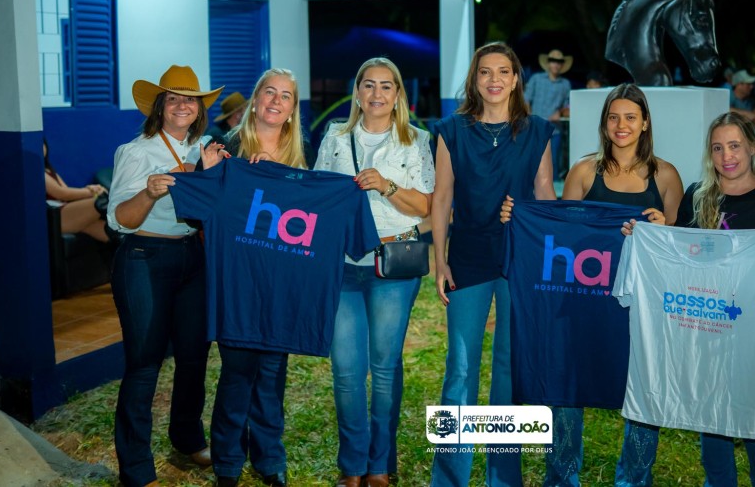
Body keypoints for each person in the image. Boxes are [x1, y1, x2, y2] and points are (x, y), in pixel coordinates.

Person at [500, 82, 684, 486]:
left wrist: (664, 228)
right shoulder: (584, 172)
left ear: (645, 122)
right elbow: (561, 234)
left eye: (630, 117)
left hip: (642, 305)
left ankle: (634, 480)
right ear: (604, 123)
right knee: (567, 384)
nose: (621, 125)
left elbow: (679, 248)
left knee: (643, 390)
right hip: (584, 297)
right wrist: (520, 218)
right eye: (613, 117)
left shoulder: (666, 176)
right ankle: (562, 477)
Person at [617, 112, 755, 487]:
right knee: (711, 413)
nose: (726, 156)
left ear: (752, 147)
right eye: (717, 148)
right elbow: (685, 259)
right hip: (703, 321)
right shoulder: (699, 195)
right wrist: (653, 235)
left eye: (734, 146)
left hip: (747, 325)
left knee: (752, 414)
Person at [430, 42, 556, 487]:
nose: (495, 79)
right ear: (475, 80)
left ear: (516, 79)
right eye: (485, 72)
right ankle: (449, 478)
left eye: (504, 71)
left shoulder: (538, 131)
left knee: (509, 368)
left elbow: (545, 196)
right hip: (467, 257)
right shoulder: (451, 130)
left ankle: (503, 478)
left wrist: (533, 224)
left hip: (520, 261)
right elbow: (441, 198)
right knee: (459, 369)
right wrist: (439, 260)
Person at [314, 58, 435, 487]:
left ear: (398, 95)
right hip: (342, 266)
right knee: (346, 370)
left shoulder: (416, 140)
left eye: (386, 86)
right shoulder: (335, 136)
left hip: (393, 264)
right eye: (369, 85)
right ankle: (352, 465)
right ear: (357, 92)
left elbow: (426, 206)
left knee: (384, 368)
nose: (377, 93)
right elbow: (316, 197)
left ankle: (380, 463)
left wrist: (386, 185)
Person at [106, 64, 222, 487]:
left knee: (194, 356)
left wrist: (218, 171)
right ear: (160, 107)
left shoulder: (206, 148)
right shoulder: (136, 152)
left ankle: (187, 438)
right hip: (144, 258)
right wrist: (148, 192)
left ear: (199, 109)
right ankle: (136, 469)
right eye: (173, 99)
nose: (182, 106)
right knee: (144, 364)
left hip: (193, 257)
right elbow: (119, 219)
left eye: (190, 99)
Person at [208, 68, 312, 487]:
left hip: (281, 283)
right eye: (269, 92)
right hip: (238, 281)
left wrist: (281, 177)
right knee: (237, 371)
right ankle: (228, 463)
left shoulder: (302, 153)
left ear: (292, 109)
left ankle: (269, 459)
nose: (276, 101)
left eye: (285, 96)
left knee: (271, 374)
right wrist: (212, 173)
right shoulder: (227, 147)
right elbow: (204, 214)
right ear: (255, 100)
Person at [44, 138, 109, 243]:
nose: (40, 147)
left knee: (107, 229)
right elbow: (62, 194)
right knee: (101, 202)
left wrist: (90, 190)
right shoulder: (37, 172)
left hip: (64, 210)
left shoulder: (49, 170)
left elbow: (66, 191)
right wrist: (91, 191)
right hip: (53, 214)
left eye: (42, 143)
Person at [524, 48, 573, 176]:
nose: (556, 64)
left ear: (562, 64)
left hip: (554, 130)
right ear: (548, 63)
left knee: (553, 163)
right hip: (535, 129)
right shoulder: (536, 79)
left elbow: (569, 106)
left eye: (559, 61)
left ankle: (555, 188)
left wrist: (560, 113)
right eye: (553, 60)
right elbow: (525, 100)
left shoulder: (565, 84)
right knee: (532, 162)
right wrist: (529, 118)